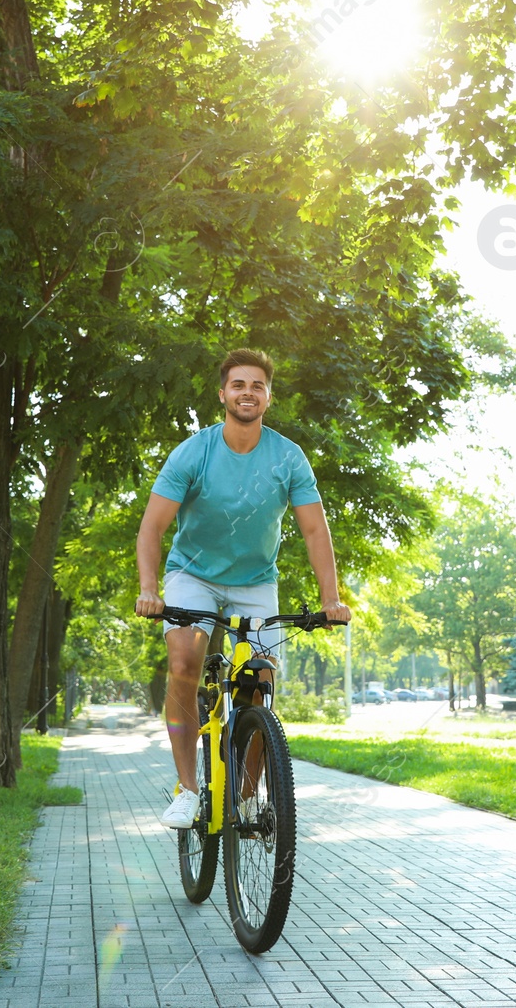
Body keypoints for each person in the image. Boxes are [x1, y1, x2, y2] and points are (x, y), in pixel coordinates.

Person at [136, 348, 352, 828]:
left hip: (255, 582)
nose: (247, 392)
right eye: (238, 385)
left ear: (268, 397)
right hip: (192, 576)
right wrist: (150, 589)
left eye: (257, 385)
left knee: (260, 679)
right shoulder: (195, 452)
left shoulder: (288, 457)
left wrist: (330, 599)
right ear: (223, 394)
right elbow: (151, 528)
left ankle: (247, 794)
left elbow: (316, 531)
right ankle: (188, 789)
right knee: (184, 664)